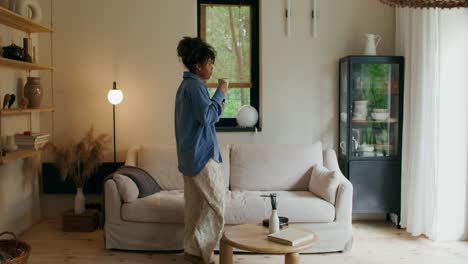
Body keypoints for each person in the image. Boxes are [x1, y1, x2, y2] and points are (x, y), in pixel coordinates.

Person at [174, 36, 229, 264]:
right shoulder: (195, 86)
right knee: (218, 204)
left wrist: (216, 98)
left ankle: (192, 253)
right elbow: (207, 117)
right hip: (201, 156)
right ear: (198, 65)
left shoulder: (186, 86)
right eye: (209, 63)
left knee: (195, 208)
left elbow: (203, 117)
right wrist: (221, 92)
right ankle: (202, 245)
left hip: (189, 156)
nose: (211, 67)